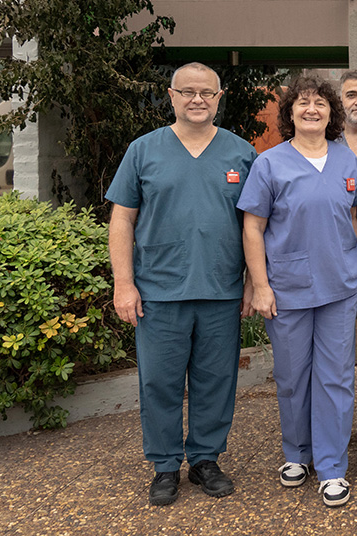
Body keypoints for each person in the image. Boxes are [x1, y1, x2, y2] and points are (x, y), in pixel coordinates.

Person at [107, 62, 257, 506]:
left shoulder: (241, 152)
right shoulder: (144, 150)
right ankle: (166, 465)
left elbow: (255, 224)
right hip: (159, 291)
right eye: (187, 91)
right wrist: (123, 284)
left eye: (206, 93)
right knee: (160, 382)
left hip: (221, 290)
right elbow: (122, 219)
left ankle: (205, 460)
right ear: (170, 96)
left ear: (219, 97)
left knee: (217, 380)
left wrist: (252, 280)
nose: (197, 99)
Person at [237, 72, 357, 507]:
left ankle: (331, 467)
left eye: (320, 104)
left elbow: (354, 219)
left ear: (332, 113)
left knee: (335, 377)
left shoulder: (347, 159)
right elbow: (253, 227)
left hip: (339, 287)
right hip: (286, 288)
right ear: (290, 113)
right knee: (292, 377)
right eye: (303, 103)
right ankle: (297, 453)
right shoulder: (269, 163)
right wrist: (260, 286)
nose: (312, 109)